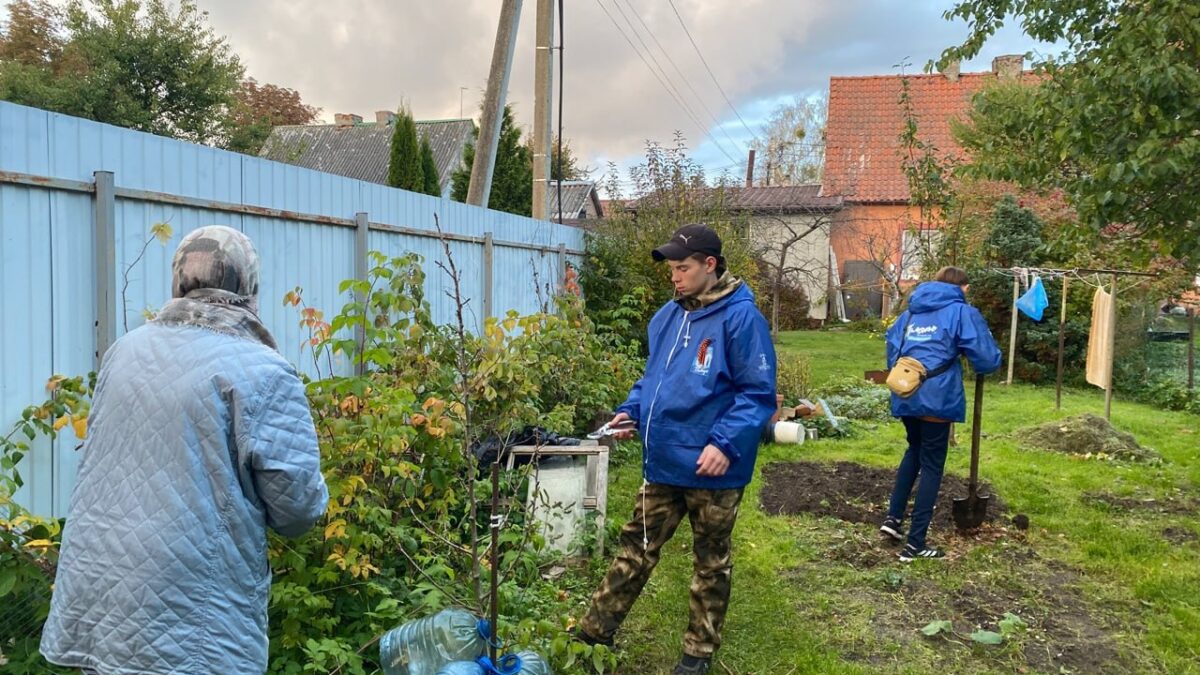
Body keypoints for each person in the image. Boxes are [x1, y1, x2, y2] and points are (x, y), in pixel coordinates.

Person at [41, 226, 329, 674]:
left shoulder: (124, 351)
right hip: (192, 617)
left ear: (178, 280)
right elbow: (298, 511)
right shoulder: (265, 371)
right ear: (248, 286)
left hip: (101, 599)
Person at [574, 224, 776, 675]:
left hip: (713, 468)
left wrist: (725, 443)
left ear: (710, 265)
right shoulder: (668, 316)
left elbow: (757, 394)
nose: (674, 276)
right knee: (635, 548)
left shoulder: (741, 318)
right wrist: (631, 412)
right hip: (664, 461)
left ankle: (697, 654)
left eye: (682, 267)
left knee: (710, 561)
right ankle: (593, 634)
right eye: (671, 268)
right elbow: (652, 381)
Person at [880, 266, 1002, 561]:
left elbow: (892, 348)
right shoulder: (961, 312)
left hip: (906, 390)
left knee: (914, 450)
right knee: (933, 463)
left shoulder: (910, 313)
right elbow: (986, 358)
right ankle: (915, 544)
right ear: (963, 287)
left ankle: (893, 520)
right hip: (937, 396)